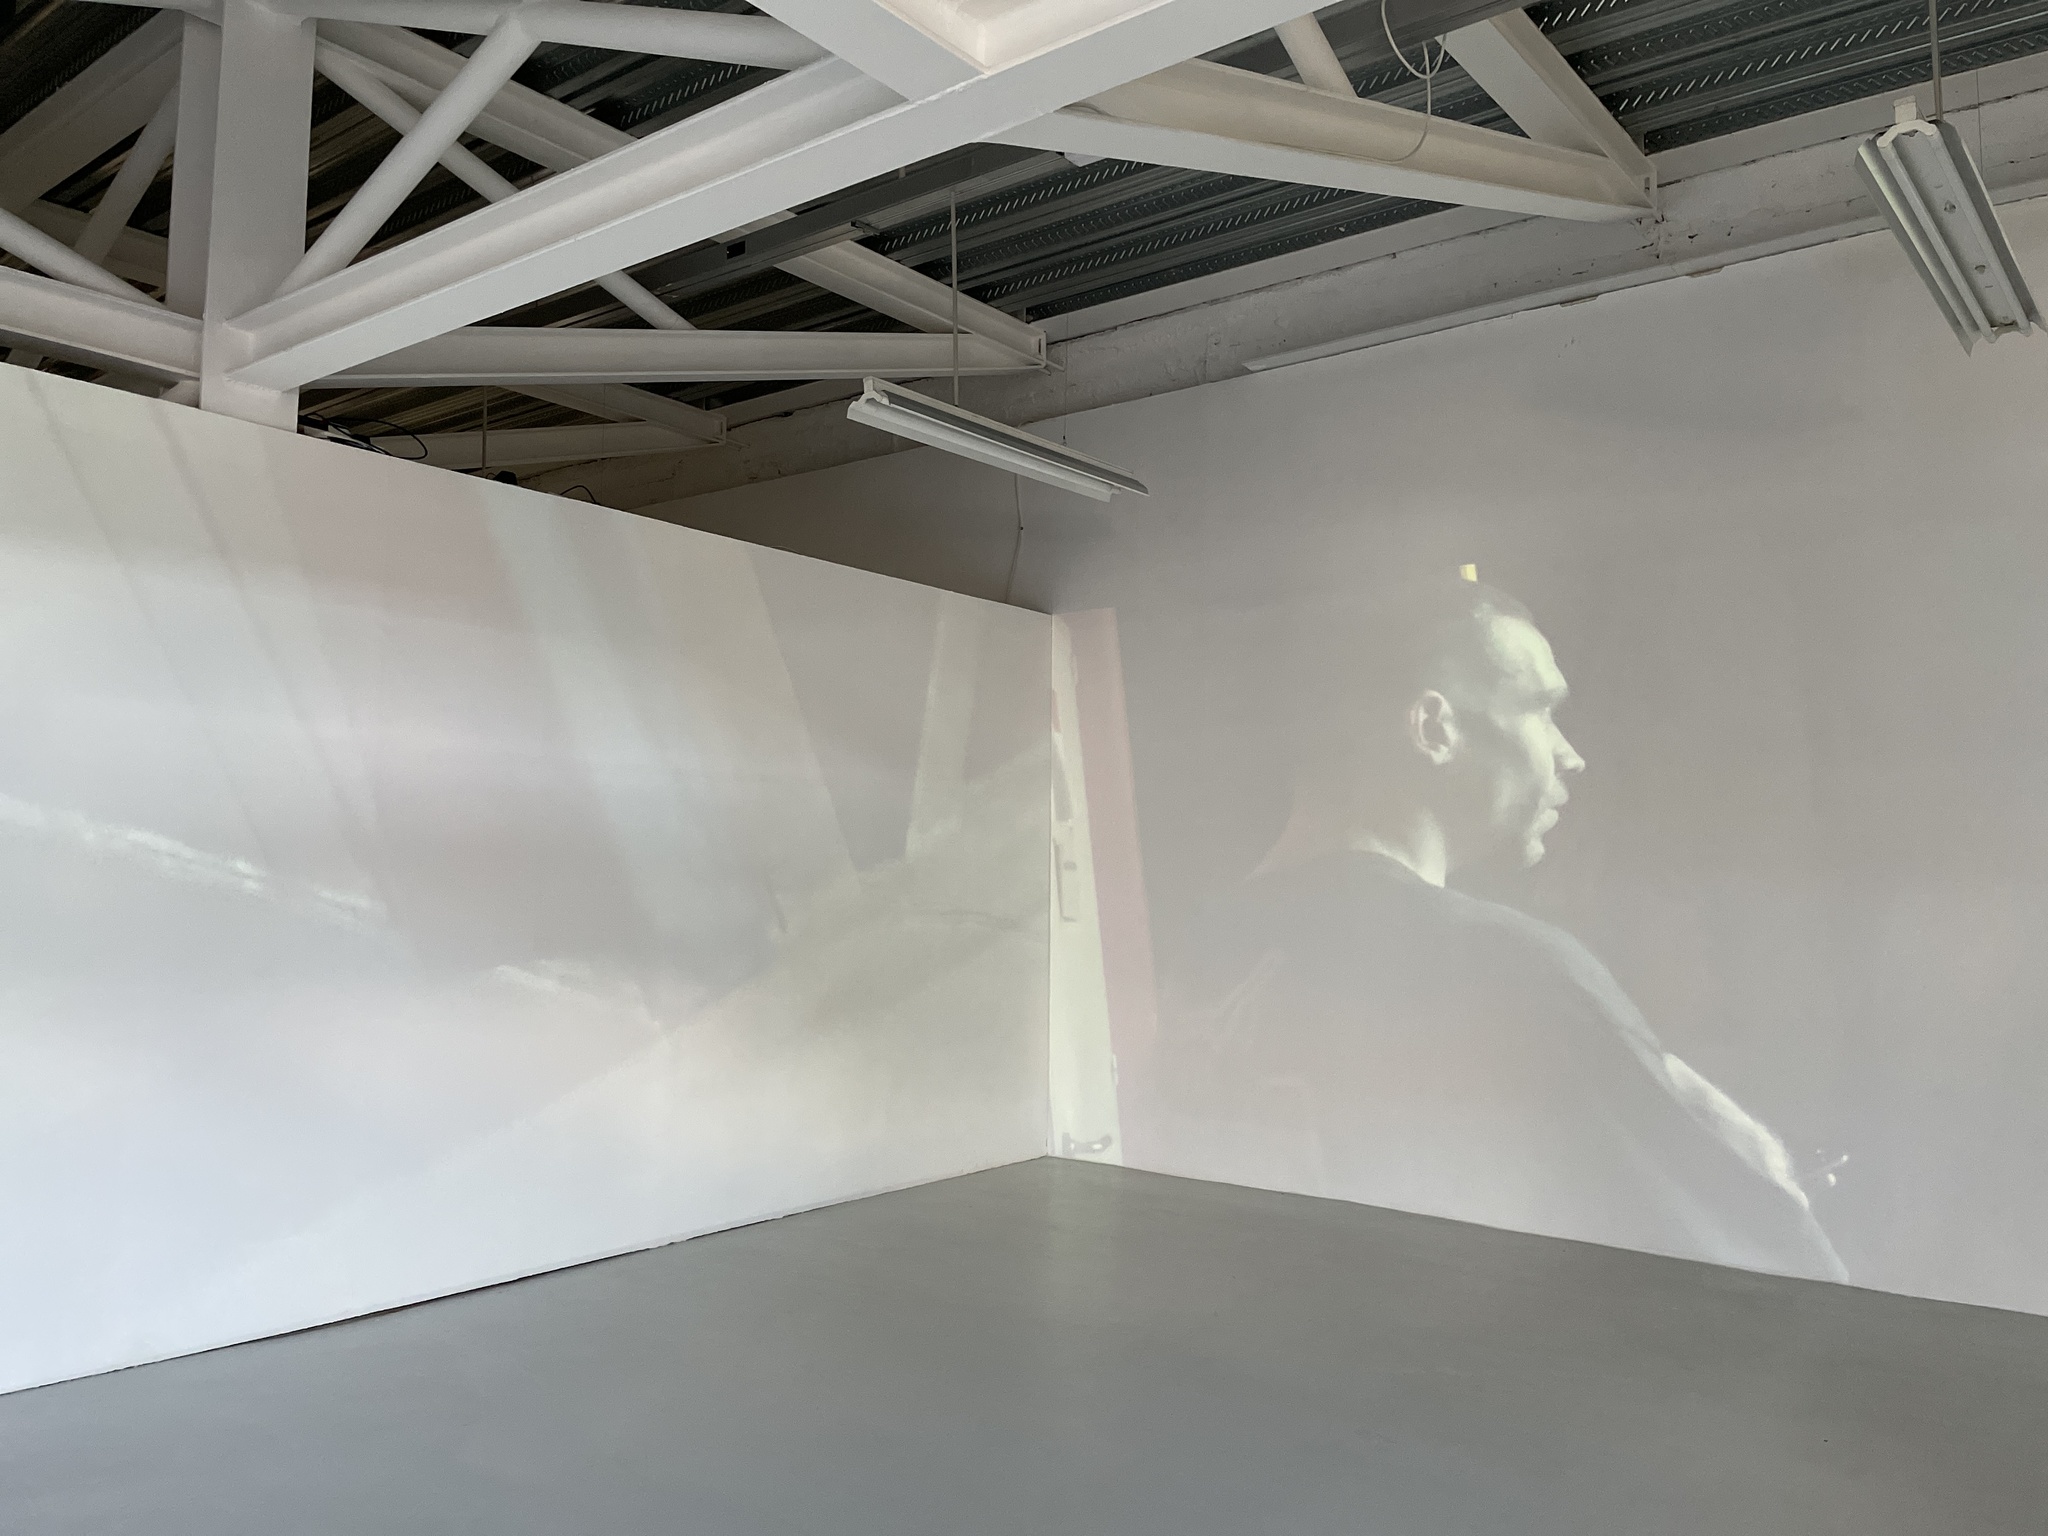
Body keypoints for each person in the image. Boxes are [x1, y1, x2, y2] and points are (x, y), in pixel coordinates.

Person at [1139, 574, 1846, 1281]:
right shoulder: (1508, 972)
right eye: (1540, 709)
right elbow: (1775, 1278)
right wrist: (1762, 1167)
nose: (1569, 754)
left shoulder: (1195, 952)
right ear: (1434, 727)